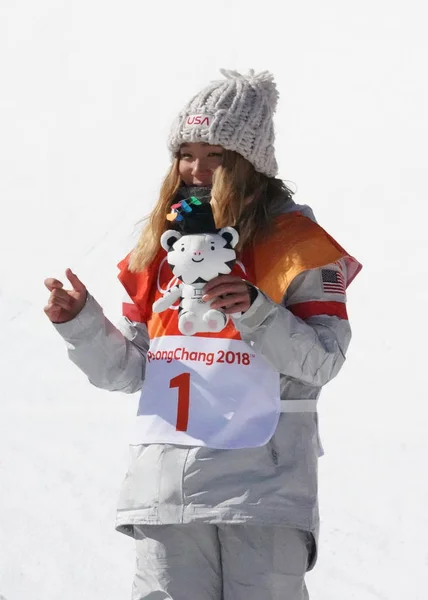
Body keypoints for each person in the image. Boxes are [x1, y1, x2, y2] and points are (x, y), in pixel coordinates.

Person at [44, 69, 362, 600]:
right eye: (186, 154)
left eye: (216, 156)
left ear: (250, 164)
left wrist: (256, 311)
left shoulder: (298, 245)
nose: (197, 170)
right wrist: (80, 323)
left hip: (262, 487)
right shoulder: (158, 249)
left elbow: (324, 360)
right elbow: (131, 373)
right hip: (167, 485)